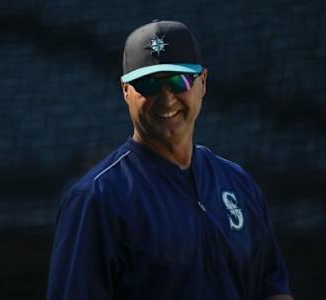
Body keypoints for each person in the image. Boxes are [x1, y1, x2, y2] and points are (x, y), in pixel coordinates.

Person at [47, 20, 292, 299]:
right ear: (126, 91)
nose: (166, 98)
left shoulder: (239, 183)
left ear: (202, 83)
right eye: (149, 84)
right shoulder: (95, 198)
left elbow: (272, 288)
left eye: (179, 80)